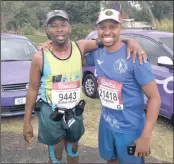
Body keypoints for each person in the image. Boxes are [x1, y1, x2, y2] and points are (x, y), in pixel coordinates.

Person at [23, 9, 148, 164]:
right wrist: (27, 121)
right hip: (51, 113)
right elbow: (33, 89)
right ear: (47, 30)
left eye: (63, 25)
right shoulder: (40, 56)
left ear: (70, 28)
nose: (59, 29)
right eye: (54, 26)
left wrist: (130, 41)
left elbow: (107, 38)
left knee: (73, 150)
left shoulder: (80, 47)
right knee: (55, 155)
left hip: (74, 112)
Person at [85, 9, 161, 164]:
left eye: (113, 27)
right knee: (110, 160)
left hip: (130, 130)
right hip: (106, 124)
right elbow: (74, 52)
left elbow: (155, 98)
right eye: (102, 27)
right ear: (96, 29)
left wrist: (146, 136)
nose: (107, 31)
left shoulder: (135, 57)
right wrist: (51, 44)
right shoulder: (98, 54)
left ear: (121, 28)